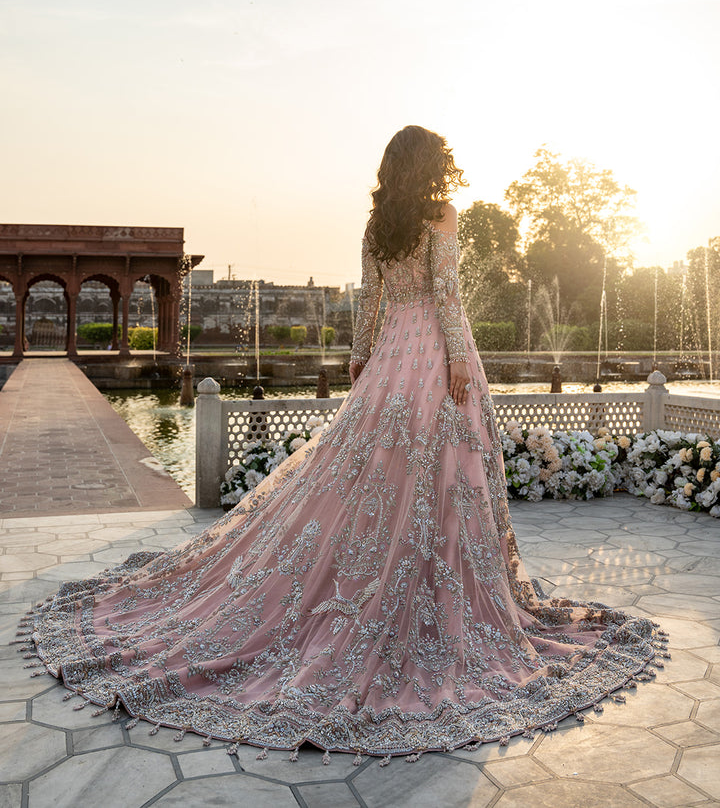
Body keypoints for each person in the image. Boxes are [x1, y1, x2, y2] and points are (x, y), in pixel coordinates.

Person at [24, 125, 660, 760]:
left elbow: (371, 304)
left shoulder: (378, 225)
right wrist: (460, 360)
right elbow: (447, 297)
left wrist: (361, 359)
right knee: (441, 474)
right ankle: (437, 586)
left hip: (390, 360)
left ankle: (387, 574)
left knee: (374, 476)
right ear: (429, 166)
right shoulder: (442, 214)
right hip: (434, 356)